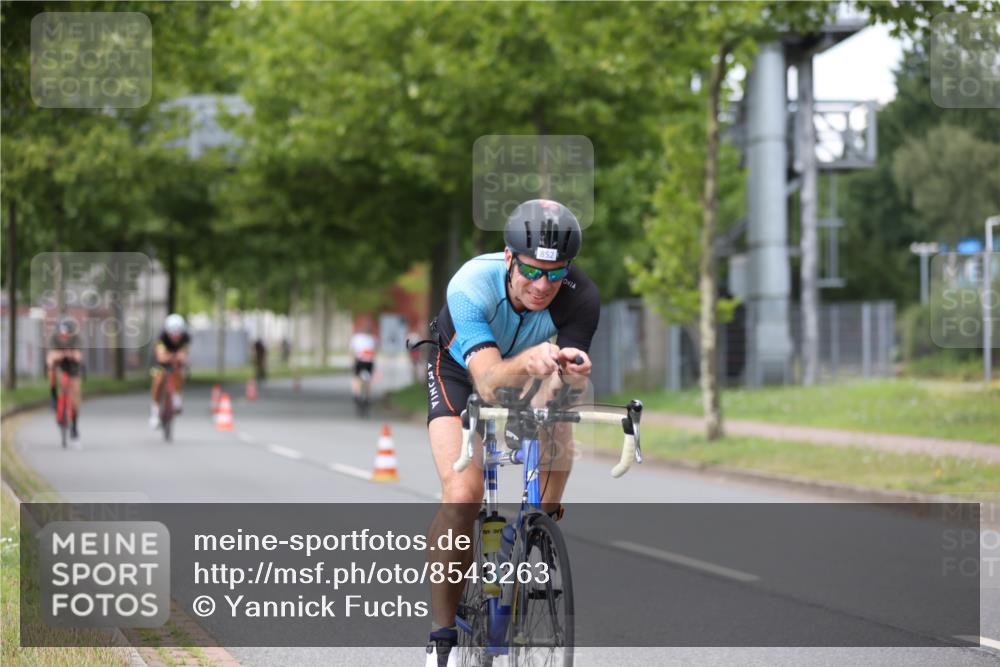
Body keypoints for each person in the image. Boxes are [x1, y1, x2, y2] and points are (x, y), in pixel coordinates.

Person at [422, 199, 599, 666]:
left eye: (555, 273)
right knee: (463, 493)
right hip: (461, 369)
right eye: (531, 271)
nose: (543, 285)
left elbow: (565, 384)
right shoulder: (469, 286)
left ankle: (534, 530)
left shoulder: (580, 296)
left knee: (559, 413)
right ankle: (441, 637)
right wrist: (529, 361)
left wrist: (569, 375)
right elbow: (487, 381)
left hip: (531, 369)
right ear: (508, 257)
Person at [46, 315, 84, 445]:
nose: (65, 337)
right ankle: (53, 395)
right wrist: (61, 355)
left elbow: (78, 356)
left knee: (76, 396)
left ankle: (74, 426)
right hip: (59, 365)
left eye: (67, 334)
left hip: (73, 368)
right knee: (51, 370)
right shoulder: (53, 338)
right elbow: (51, 356)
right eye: (62, 334)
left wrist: (71, 354)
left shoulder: (77, 338)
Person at [149, 313, 190, 429]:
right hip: (160, 363)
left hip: (175, 361)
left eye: (178, 334)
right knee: (158, 381)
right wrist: (173, 356)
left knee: (179, 373)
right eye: (173, 334)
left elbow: (183, 356)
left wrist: (176, 358)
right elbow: (161, 357)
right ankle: (155, 414)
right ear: (167, 332)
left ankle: (177, 399)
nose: (175, 337)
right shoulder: (161, 337)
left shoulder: (186, 337)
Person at [349, 324, 377, 408]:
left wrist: (352, 363)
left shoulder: (356, 338)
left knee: (356, 378)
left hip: (359, 361)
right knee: (369, 379)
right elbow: (374, 352)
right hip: (369, 362)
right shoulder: (373, 339)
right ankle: (368, 397)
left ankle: (356, 395)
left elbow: (352, 352)